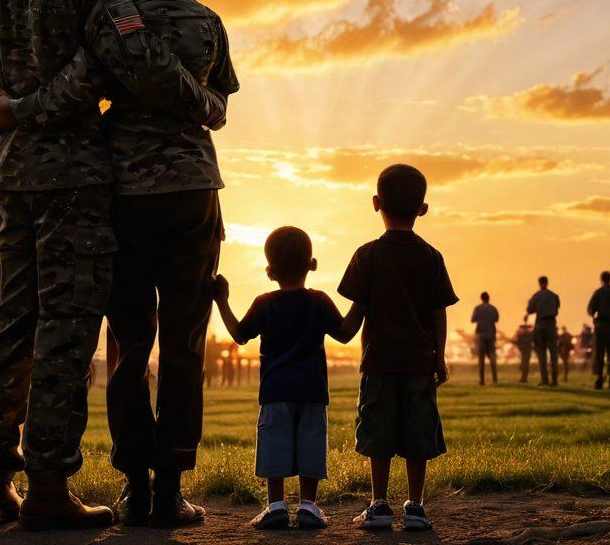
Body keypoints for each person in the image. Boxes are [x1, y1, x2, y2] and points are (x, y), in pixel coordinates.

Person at [0, 0, 227, 530]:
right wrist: (202, 103)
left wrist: (5, 131)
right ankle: (49, 488)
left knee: (9, 325)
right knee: (67, 331)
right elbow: (129, 62)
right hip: (75, 180)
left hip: (10, 179)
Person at [337, 165, 458, 533]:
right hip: (420, 360)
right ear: (422, 208)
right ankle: (417, 506)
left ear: (376, 203)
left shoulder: (367, 255)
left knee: (378, 432)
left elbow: (353, 318)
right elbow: (439, 313)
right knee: (419, 432)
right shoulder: (432, 256)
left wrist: (332, 328)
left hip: (379, 360)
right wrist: (439, 355)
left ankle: (378, 504)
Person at [214, 227, 358, 530]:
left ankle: (275, 505)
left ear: (269, 271)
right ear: (312, 264)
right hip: (312, 387)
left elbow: (240, 335)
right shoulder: (319, 301)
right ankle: (308, 505)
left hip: (276, 389)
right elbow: (345, 334)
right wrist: (363, 301)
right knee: (310, 443)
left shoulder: (264, 302)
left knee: (274, 443)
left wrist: (222, 301)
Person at [525, 276, 560, 387]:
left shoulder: (537, 295)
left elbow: (530, 310)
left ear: (540, 283)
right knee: (553, 353)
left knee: (542, 353)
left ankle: (544, 379)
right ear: (547, 283)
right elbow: (557, 309)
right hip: (552, 324)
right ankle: (554, 380)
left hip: (540, 324)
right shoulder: (554, 296)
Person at [470, 293, 499, 385]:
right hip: (491, 336)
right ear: (488, 298)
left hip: (481, 336)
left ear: (481, 298)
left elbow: (472, 320)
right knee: (492, 358)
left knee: (481, 359)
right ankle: (495, 379)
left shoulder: (478, 308)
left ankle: (482, 381)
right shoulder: (493, 308)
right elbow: (496, 319)